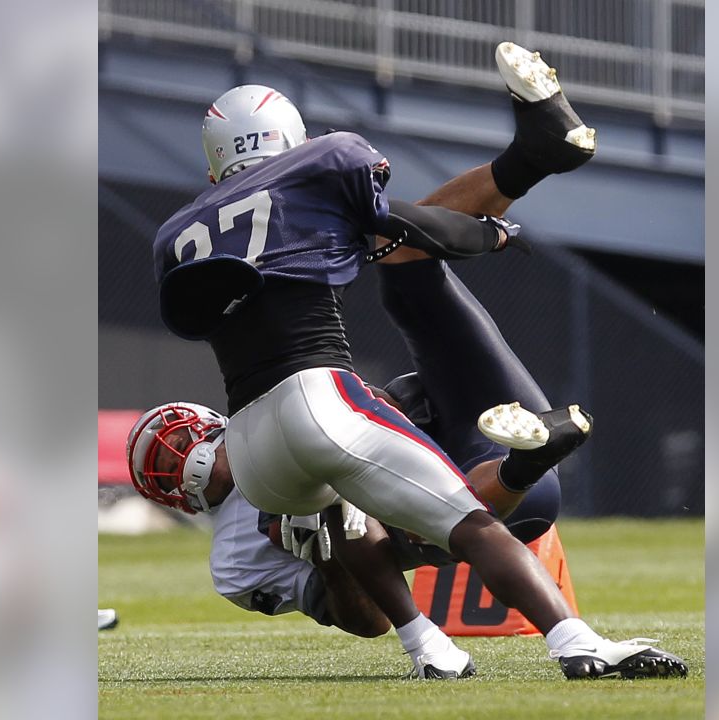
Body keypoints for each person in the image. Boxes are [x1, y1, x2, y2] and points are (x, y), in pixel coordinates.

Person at [141, 41, 687, 680]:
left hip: (260, 446)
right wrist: (492, 235)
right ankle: (577, 641)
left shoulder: (174, 236)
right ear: (292, 141)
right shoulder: (321, 163)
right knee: (471, 525)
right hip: (321, 400)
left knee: (337, 514)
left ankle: (430, 648)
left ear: (213, 170)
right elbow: (407, 229)